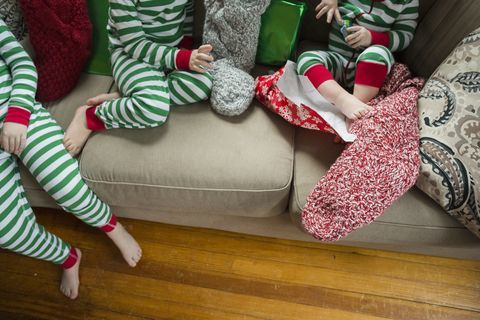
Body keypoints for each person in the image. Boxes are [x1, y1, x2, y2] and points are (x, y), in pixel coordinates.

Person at [0, 19, 142, 300]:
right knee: (7, 232)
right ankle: (68, 257)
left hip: (18, 114)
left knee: (64, 186)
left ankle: (113, 228)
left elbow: (23, 63)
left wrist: (17, 113)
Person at [63, 0, 214, 156]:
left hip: (170, 53)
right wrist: (181, 58)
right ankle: (90, 116)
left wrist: (187, 52)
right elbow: (134, 44)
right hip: (131, 56)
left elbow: (187, 12)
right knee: (154, 109)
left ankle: (132, 97)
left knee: (204, 83)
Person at [297, 0, 419, 120]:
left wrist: (371, 37)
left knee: (377, 53)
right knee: (306, 59)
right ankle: (343, 99)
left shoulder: (407, 2)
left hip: (371, 72)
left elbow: (405, 36)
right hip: (338, 60)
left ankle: (355, 114)